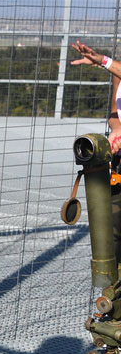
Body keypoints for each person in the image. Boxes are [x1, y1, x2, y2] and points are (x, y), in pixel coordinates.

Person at [70, 39, 121, 261]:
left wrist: (102, 60)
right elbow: (115, 113)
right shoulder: (117, 71)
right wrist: (117, 130)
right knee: (112, 233)